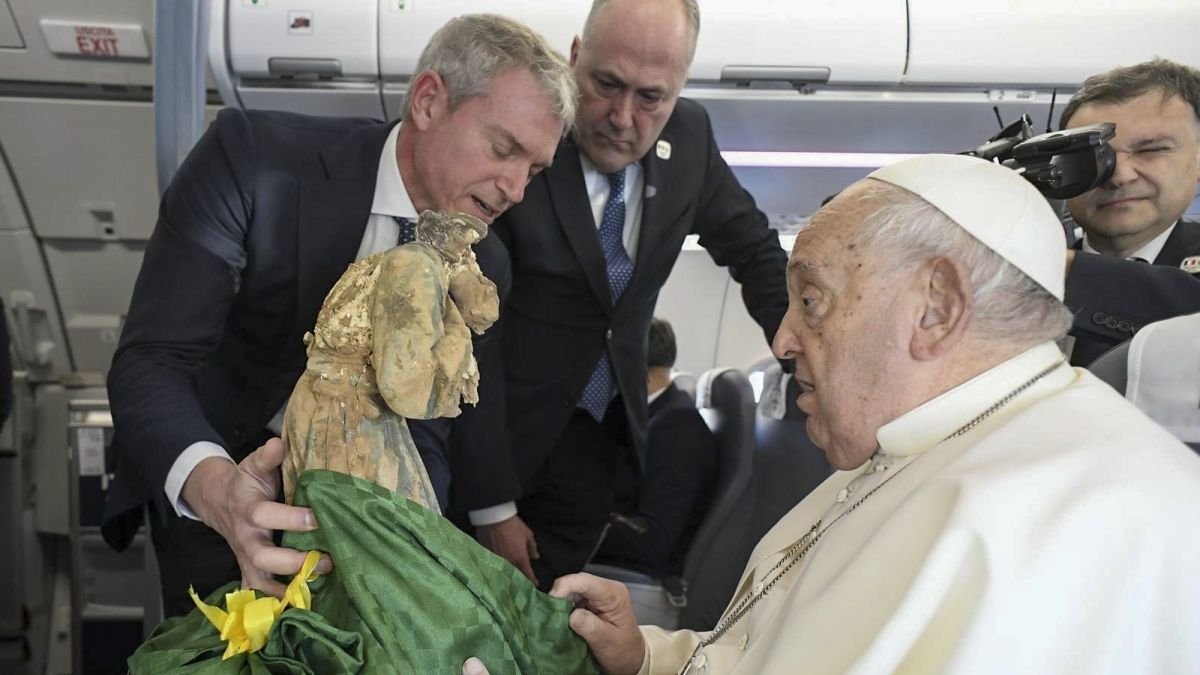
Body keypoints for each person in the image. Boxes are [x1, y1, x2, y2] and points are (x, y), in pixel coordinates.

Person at [536, 154, 1200, 675]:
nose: (782, 340)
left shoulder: (1054, 519)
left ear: (935, 306)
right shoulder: (917, 447)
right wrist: (649, 656)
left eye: (812, 299)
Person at [103, 14, 575, 617]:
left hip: (356, 522)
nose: (515, 189)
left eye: (534, 170)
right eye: (504, 149)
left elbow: (425, 425)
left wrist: (411, 539)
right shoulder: (254, 160)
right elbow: (152, 360)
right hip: (217, 482)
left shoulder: (483, 267)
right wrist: (217, 488)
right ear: (428, 102)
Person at [451, 0, 789, 589]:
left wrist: (805, 351)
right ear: (576, 57)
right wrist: (493, 504)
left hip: (601, 444)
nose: (621, 116)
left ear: (679, 88)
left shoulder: (690, 140)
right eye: (605, 85)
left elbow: (756, 252)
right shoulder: (524, 137)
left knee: (548, 626)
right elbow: (468, 334)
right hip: (492, 437)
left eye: (651, 97)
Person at [281, 210, 499, 511]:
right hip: (347, 418)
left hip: (327, 403)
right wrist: (456, 336)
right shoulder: (418, 267)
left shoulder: (405, 259)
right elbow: (408, 389)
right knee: (368, 537)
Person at [1060, 58, 1200, 365]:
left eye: (1151, 149)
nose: (1118, 175)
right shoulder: (1008, 286)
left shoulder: (1045, 268)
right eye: (1093, 156)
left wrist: (1057, 268)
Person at [593, 316, 717, 579]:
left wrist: (570, 524)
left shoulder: (679, 430)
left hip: (640, 577)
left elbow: (654, 538)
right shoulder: (650, 416)